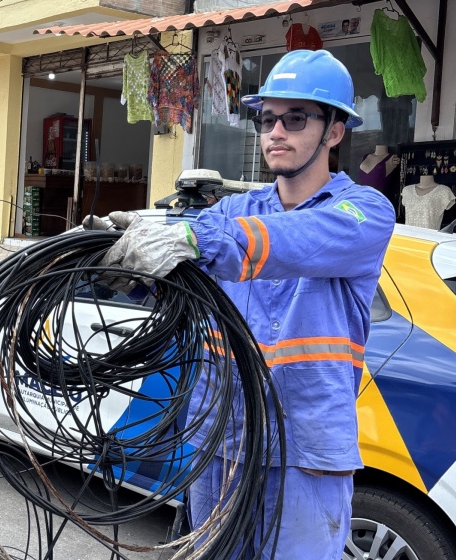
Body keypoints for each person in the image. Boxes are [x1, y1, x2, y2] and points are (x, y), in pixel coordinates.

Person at [88, 50, 395, 557]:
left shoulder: (362, 212)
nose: (276, 131)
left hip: (304, 454)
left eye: (295, 119)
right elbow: (190, 284)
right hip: (222, 445)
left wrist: (191, 238)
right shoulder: (233, 212)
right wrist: (132, 270)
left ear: (334, 131)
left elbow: (291, 241)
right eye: (267, 117)